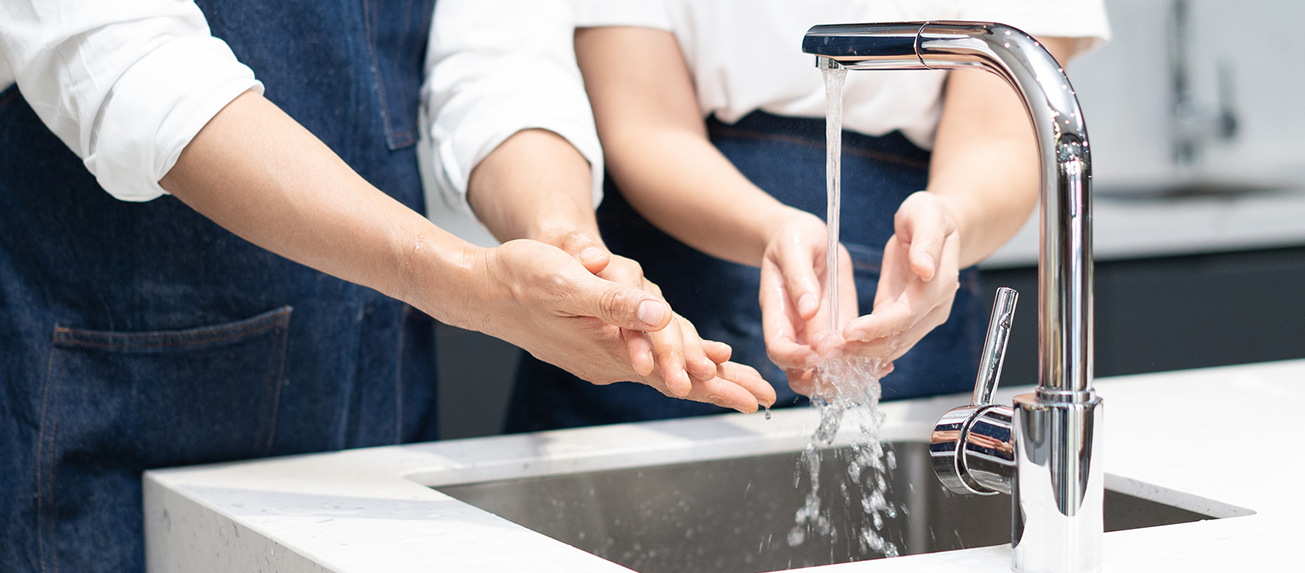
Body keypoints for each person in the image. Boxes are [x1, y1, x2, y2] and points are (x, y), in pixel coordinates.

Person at [0, 1, 775, 573]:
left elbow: (495, 61)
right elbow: (127, 64)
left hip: (375, 378)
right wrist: (452, 276)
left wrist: (567, 242)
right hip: (119, 366)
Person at [421, 0, 1110, 432]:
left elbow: (999, 134)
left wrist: (949, 218)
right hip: (667, 298)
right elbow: (645, 126)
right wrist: (768, 226)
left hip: (916, 290)